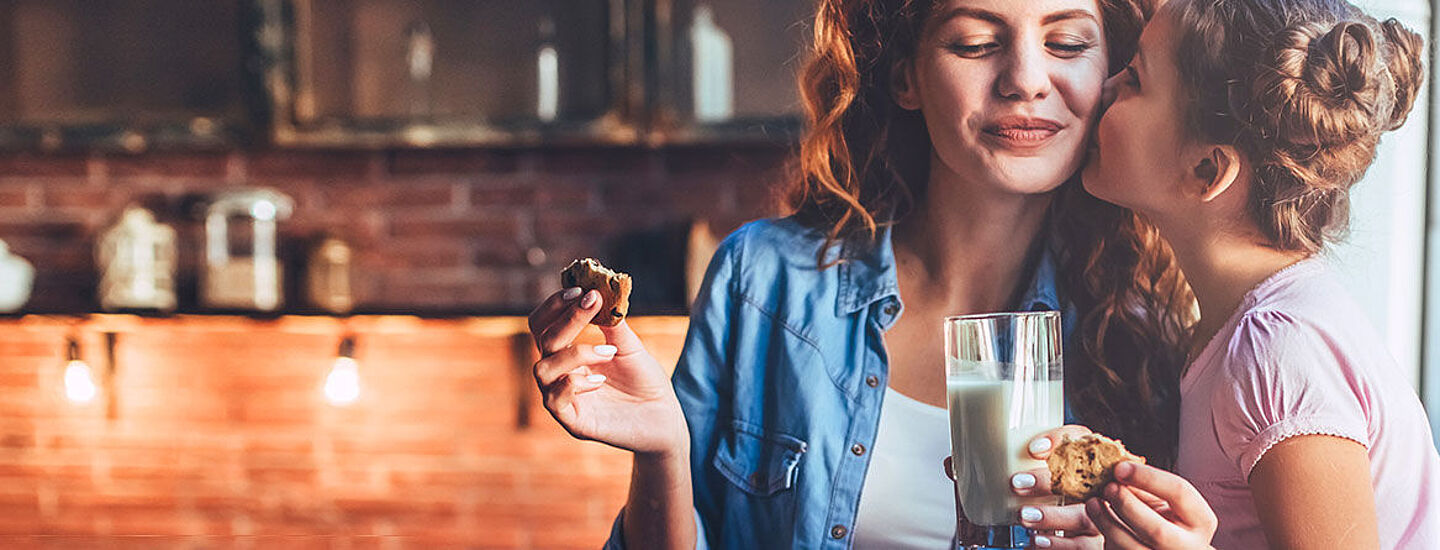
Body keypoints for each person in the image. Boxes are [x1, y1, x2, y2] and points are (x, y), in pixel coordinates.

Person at [527, 0, 1193, 547]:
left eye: (1068, 43)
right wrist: (665, 449)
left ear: (1112, 75)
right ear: (906, 78)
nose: (1026, 77)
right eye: (973, 43)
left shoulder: (1141, 338)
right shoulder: (763, 280)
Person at [1062, 0, 1440, 547]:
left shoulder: (1278, 350)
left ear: (1207, 169)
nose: (1103, 87)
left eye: (1136, 78)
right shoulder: (1233, 326)